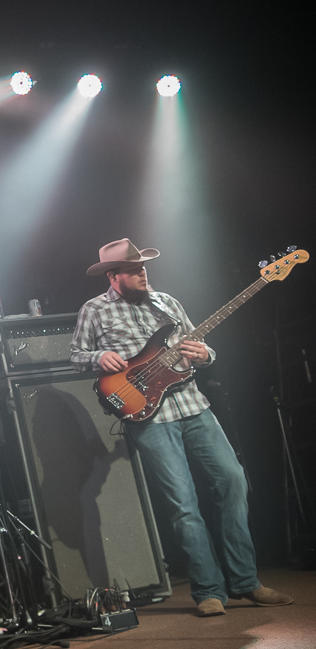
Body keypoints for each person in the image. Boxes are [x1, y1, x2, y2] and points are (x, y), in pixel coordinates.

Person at [70, 238, 293, 617]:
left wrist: (205, 354)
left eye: (143, 266)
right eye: (133, 269)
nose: (142, 273)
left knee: (233, 481)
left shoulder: (167, 303)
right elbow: (76, 356)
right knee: (183, 505)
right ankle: (208, 591)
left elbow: (201, 348)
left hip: (194, 406)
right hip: (149, 417)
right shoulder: (94, 310)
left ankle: (245, 582)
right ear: (113, 276)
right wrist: (98, 356)